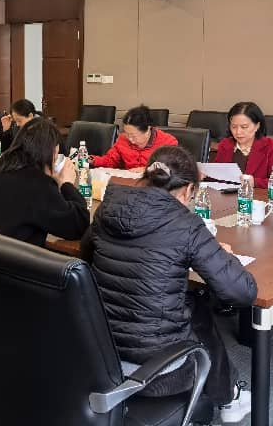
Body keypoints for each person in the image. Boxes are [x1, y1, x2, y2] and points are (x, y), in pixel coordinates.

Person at [82, 146, 256, 422]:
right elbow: (242, 293)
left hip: (98, 353)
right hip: (159, 373)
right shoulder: (185, 223)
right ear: (188, 190)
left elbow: (86, 256)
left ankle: (228, 394)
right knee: (196, 307)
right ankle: (229, 398)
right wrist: (223, 255)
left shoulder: (108, 207)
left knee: (187, 301)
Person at [0, 117, 88, 265]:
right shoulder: (39, 186)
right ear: (52, 153)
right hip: (12, 275)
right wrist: (66, 184)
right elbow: (78, 225)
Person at [213, 101, 273, 188]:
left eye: (244, 127)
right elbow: (217, 176)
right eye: (234, 127)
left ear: (257, 126)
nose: (238, 132)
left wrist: (255, 182)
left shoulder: (270, 146)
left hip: (257, 196)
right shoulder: (225, 144)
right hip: (228, 195)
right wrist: (205, 175)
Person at [90, 104, 177, 172]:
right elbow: (110, 161)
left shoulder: (168, 142)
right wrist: (91, 160)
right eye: (127, 134)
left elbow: (172, 168)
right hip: (129, 183)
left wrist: (148, 169)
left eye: (133, 136)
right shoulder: (122, 139)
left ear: (148, 130)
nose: (130, 139)